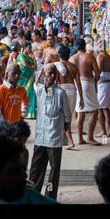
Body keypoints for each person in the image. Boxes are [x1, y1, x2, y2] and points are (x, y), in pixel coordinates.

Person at [29, 63, 71, 200]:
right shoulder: (39, 89)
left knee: (53, 172)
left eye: (54, 73)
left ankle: (49, 197)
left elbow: (67, 116)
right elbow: (35, 82)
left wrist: (63, 132)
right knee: (36, 170)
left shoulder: (60, 93)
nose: (52, 76)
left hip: (54, 138)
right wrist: (41, 72)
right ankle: (33, 195)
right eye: (49, 73)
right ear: (44, 75)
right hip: (40, 137)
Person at [69, 38, 101, 145]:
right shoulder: (89, 56)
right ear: (84, 47)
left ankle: (80, 139)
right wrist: (94, 82)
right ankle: (89, 137)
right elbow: (97, 73)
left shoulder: (71, 59)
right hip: (87, 83)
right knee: (94, 111)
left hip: (76, 85)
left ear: (75, 47)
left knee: (80, 111)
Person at [56, 45, 84, 150]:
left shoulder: (57, 66)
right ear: (69, 55)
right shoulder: (73, 67)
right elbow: (78, 82)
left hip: (62, 91)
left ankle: (70, 141)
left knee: (63, 118)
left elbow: (55, 82)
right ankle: (66, 139)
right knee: (68, 117)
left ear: (59, 54)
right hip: (73, 91)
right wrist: (81, 97)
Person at [96, 40, 110, 137]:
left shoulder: (100, 56)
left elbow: (98, 71)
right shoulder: (109, 57)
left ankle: (104, 131)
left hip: (102, 83)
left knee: (100, 108)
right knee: (105, 107)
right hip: (109, 82)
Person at [16, 42, 37, 119]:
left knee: (31, 94)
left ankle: (30, 113)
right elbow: (25, 65)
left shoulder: (30, 57)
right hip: (23, 78)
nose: (31, 49)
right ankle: (22, 112)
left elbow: (36, 67)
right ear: (25, 48)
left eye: (31, 48)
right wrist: (32, 66)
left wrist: (34, 58)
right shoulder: (21, 55)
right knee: (24, 94)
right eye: (29, 48)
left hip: (30, 78)